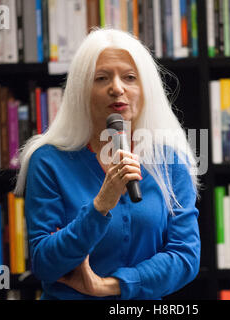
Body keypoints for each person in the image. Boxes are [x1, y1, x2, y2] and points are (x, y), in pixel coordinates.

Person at [14, 28, 201, 300]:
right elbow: (44, 262)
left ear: (146, 90)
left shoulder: (171, 160)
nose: (117, 87)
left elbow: (185, 257)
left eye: (130, 77)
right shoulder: (49, 160)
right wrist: (101, 205)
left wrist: (112, 286)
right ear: (82, 92)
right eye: (101, 78)